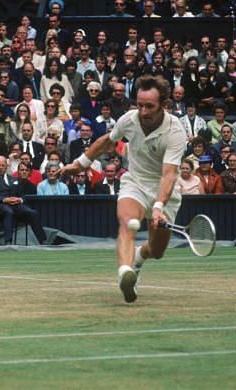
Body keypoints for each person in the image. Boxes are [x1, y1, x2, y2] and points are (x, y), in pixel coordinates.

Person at [60, 75, 186, 303]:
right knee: (127, 223)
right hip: (135, 182)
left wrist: (158, 206)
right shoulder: (129, 119)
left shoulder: (175, 131)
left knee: (157, 252)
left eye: (150, 106)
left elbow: (169, 174)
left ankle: (138, 258)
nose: (144, 111)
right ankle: (125, 273)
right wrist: (80, 163)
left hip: (163, 190)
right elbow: (109, 141)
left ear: (164, 106)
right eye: (140, 105)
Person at [0, 155, 47, 245]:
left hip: (14, 205)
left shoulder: (13, 179)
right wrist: (4, 199)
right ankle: (8, 242)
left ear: (6, 166)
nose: (1, 167)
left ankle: (43, 240)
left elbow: (22, 195)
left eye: (3, 165)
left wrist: (19, 199)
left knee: (33, 213)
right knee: (8, 211)